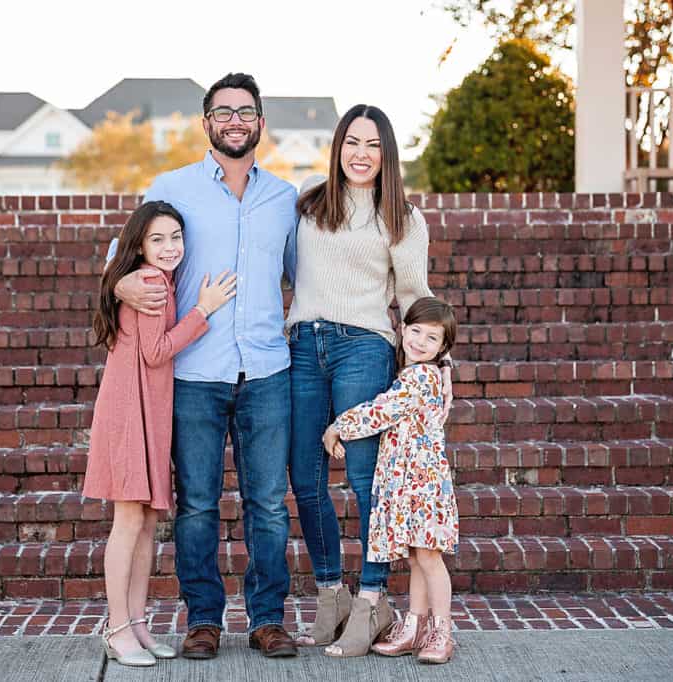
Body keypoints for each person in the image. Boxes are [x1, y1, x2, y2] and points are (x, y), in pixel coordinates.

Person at [112, 73, 299, 659]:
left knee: (268, 503)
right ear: (207, 123)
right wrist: (121, 285)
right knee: (196, 503)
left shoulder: (285, 199)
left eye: (246, 111)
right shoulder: (171, 188)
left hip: (268, 370)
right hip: (193, 372)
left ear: (261, 123)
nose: (235, 120)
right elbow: (127, 256)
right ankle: (203, 622)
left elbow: (305, 277)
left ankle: (268, 619)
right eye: (224, 112)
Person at [286, 104, 452, 657]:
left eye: (373, 145)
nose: (360, 154)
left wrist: (432, 370)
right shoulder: (308, 198)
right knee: (306, 476)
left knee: (366, 481)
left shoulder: (402, 216)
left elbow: (413, 300)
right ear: (337, 147)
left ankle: (373, 598)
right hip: (304, 343)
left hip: (364, 346)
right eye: (352, 142)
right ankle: (332, 592)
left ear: (387, 154)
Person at [84, 200, 237, 667]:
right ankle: (116, 628)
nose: (170, 247)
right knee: (129, 522)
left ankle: (137, 623)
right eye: (157, 239)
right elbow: (156, 351)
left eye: (175, 237)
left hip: (146, 409)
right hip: (132, 411)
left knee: (147, 521)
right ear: (139, 245)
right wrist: (203, 310)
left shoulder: (150, 278)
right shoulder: (151, 283)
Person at [322, 297, 459, 665]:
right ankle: (414, 626)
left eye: (431, 339)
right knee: (416, 558)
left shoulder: (421, 377)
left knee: (429, 559)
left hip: (423, 485)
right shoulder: (411, 373)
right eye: (414, 331)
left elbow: (381, 411)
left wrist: (338, 426)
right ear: (402, 328)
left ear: (443, 349)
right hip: (408, 484)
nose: (418, 341)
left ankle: (442, 631)